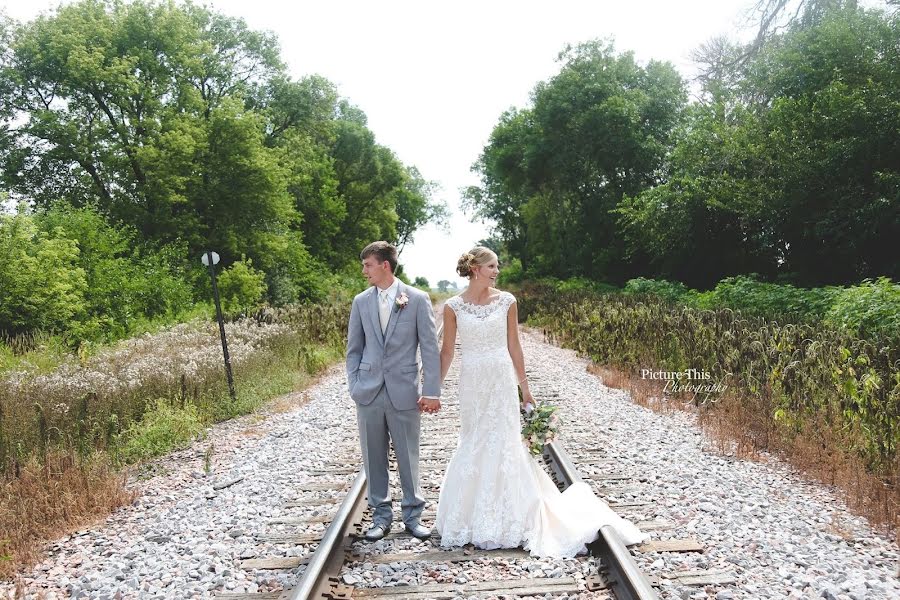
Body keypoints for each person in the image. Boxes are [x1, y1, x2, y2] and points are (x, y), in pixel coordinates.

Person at [433, 246, 648, 557]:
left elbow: (514, 346)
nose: (497, 271)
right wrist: (434, 389)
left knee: (505, 442)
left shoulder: (507, 301)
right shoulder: (454, 307)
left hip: (501, 381)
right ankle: (470, 518)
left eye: (497, 266)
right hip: (472, 384)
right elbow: (447, 352)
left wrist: (525, 389)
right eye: (492, 266)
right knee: (474, 439)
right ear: (475, 269)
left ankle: (512, 517)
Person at [346, 241, 442, 542]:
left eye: (368, 265)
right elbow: (353, 350)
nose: (364, 271)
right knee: (373, 457)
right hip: (369, 391)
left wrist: (431, 391)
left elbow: (429, 348)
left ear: (384, 265)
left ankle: (413, 516)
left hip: (404, 390)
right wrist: (354, 384)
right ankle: (381, 517)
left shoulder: (416, 299)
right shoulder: (361, 302)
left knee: (408, 456)